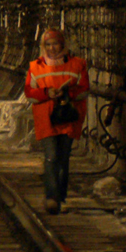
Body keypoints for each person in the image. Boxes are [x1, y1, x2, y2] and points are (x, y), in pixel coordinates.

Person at [23, 28, 89, 215]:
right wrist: (46, 93)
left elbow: (84, 89)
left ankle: (61, 196)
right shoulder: (36, 66)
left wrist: (68, 92)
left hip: (68, 116)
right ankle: (52, 197)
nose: (52, 48)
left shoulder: (77, 64)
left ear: (63, 45)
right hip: (46, 117)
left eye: (56, 44)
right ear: (44, 47)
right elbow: (29, 92)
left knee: (63, 157)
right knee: (51, 156)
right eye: (48, 44)